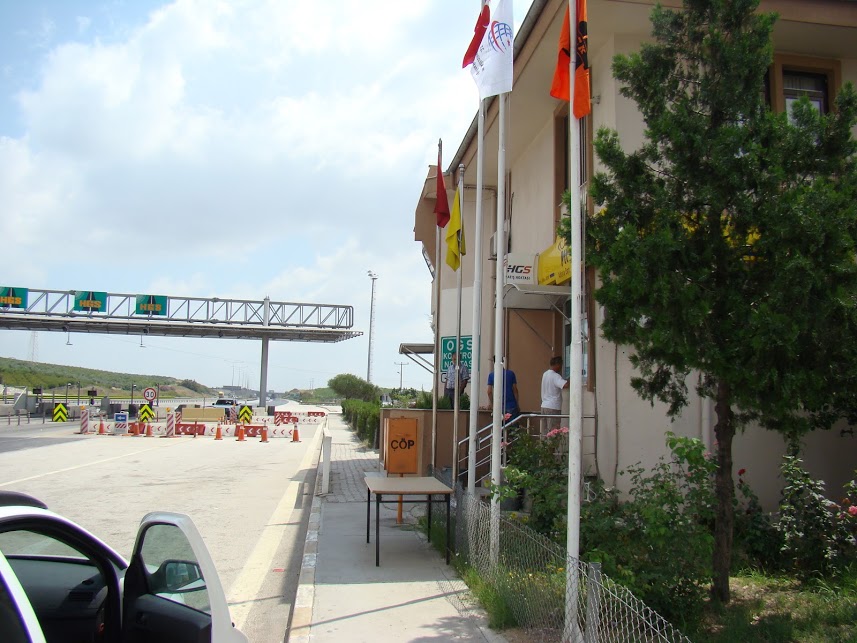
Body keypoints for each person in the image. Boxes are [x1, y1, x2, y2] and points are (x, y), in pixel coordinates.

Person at [541, 355, 569, 436]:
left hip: (544, 405)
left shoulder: (545, 374)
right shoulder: (555, 376)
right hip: (553, 407)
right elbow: (565, 385)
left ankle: (544, 444)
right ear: (557, 364)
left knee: (545, 432)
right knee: (553, 432)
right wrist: (573, 376)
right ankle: (551, 445)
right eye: (561, 365)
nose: (561, 367)